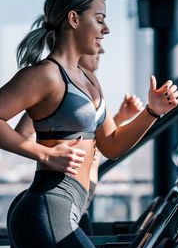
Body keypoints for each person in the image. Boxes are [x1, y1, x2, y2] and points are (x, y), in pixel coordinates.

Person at [0, 0, 178, 248]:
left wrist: (152, 113)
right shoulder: (45, 74)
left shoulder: (90, 79)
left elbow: (111, 145)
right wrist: (43, 152)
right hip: (48, 206)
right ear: (73, 18)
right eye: (99, 19)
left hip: (71, 208)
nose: (105, 29)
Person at [14, 47, 144, 236]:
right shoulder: (55, 89)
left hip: (79, 196)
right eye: (96, 43)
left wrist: (120, 118)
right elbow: (24, 133)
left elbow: (95, 140)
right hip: (59, 195)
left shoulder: (89, 84)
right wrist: (49, 153)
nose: (102, 50)